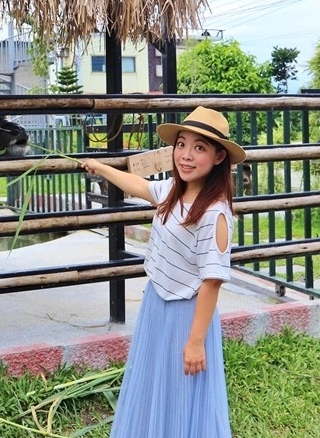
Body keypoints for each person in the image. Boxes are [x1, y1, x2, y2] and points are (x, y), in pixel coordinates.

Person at [82, 106, 245, 438]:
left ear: (217, 158)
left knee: (182, 393)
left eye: (199, 148)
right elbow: (140, 186)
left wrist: (196, 342)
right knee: (156, 383)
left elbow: (211, 282)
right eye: (181, 144)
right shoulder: (175, 191)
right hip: (157, 304)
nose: (186, 155)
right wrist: (101, 167)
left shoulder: (215, 214)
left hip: (187, 315)